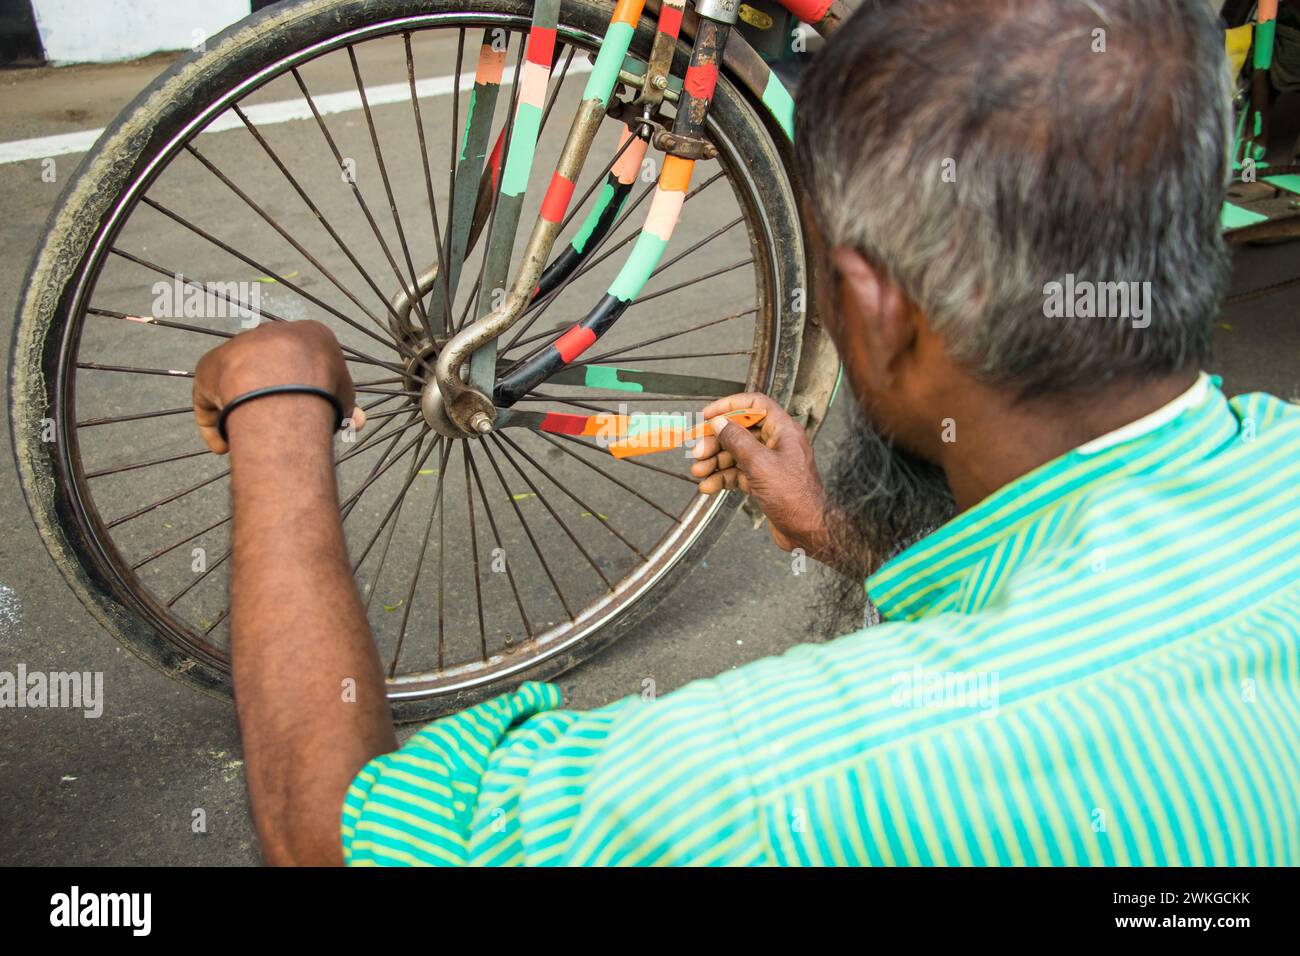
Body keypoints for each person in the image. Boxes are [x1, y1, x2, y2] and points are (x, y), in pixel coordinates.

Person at [193, 0, 1300, 866]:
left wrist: (278, 409)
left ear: (880, 312)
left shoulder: (780, 785)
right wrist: (829, 525)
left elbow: (336, 836)